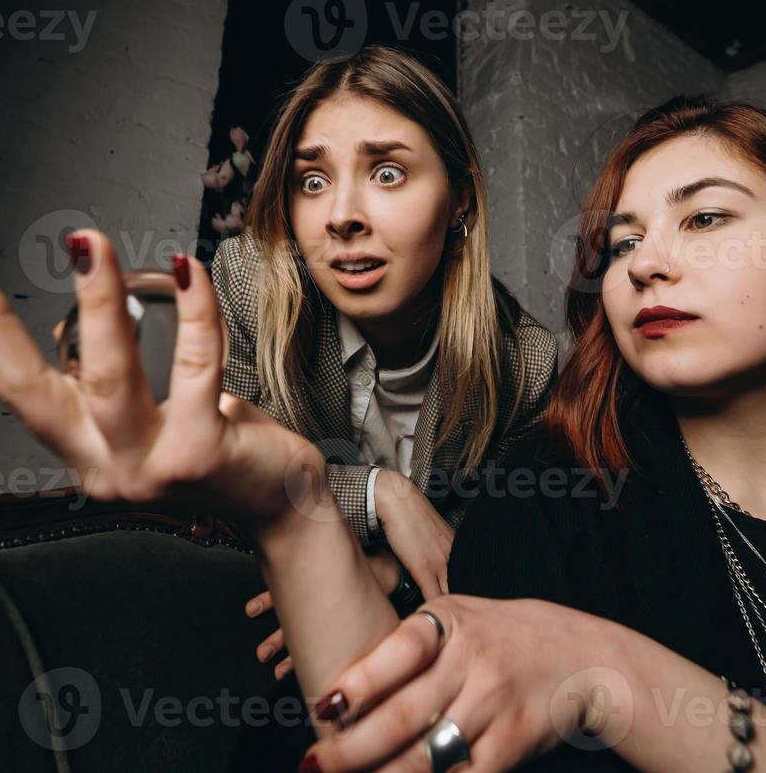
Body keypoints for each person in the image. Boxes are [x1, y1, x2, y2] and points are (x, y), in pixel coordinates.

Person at [0, 95, 766, 771]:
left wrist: (613, 679)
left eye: (704, 216)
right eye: (625, 238)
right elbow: (411, 735)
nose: (647, 258)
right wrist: (289, 504)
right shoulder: (555, 483)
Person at [210, 46, 556, 677]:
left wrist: (386, 577)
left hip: (437, 649)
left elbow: (492, 554)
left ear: (460, 201)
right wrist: (381, 495)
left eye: (388, 173)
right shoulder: (247, 283)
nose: (341, 216)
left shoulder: (522, 362)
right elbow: (223, 476)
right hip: (256, 622)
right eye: (312, 182)